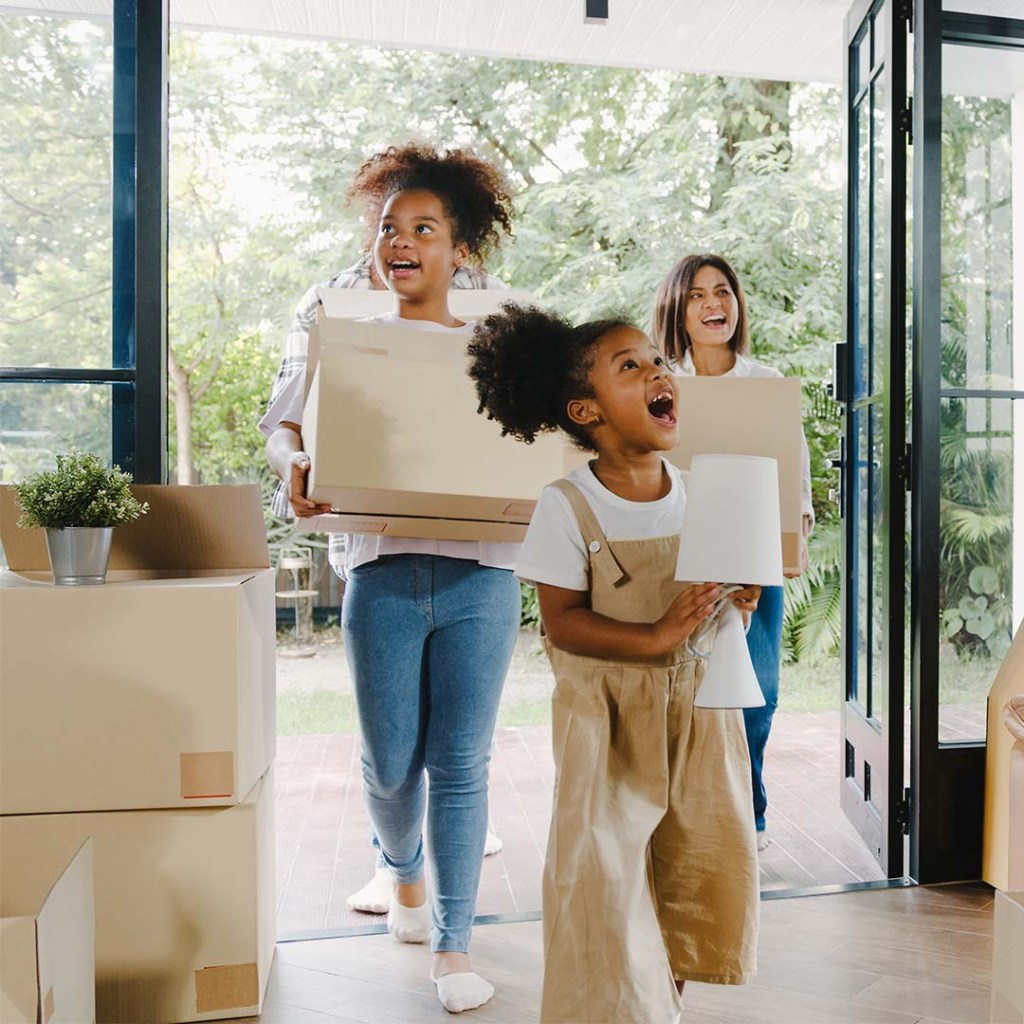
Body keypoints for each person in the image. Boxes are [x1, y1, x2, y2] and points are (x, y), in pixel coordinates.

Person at [261, 144, 520, 1014]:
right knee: (388, 763)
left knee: (461, 764)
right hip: (378, 566)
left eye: (424, 228)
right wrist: (294, 461)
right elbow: (285, 425)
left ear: (460, 248)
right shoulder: (344, 329)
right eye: (389, 228)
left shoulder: (498, 341)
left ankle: (454, 945)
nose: (401, 241)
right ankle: (402, 873)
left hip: (482, 574)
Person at [467, 304, 761, 1024]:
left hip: (697, 720)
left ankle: (667, 1008)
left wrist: (739, 602)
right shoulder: (567, 507)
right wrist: (657, 635)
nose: (658, 371)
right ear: (586, 410)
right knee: (607, 882)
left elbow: (719, 621)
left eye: (658, 361)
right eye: (630, 366)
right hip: (608, 727)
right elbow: (564, 626)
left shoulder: (701, 494)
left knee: (691, 876)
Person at [652, 252, 815, 853]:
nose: (713, 304)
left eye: (722, 292)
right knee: (685, 689)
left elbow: (792, 478)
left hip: (753, 559)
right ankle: (687, 816)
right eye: (696, 295)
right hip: (677, 557)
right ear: (677, 307)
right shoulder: (657, 382)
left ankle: (752, 813)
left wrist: (785, 551)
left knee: (757, 694)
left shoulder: (766, 384)